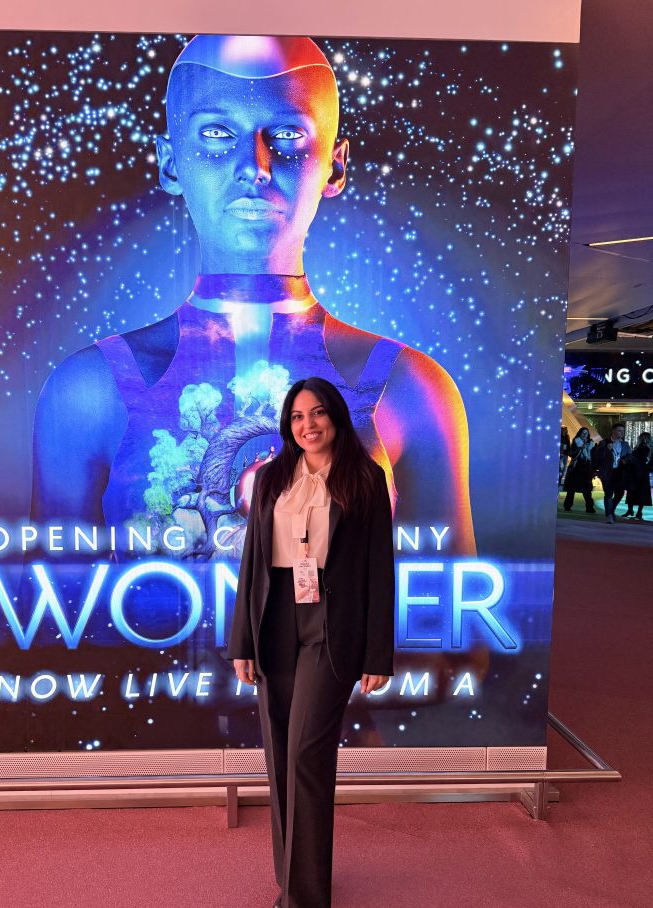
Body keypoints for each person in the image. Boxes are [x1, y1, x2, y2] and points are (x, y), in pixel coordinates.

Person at [31, 34, 475, 560]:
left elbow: (453, 605)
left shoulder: (412, 388)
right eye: (217, 134)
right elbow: (51, 604)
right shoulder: (89, 388)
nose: (254, 165)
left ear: (334, 165)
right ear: (170, 163)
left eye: (287, 134)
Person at [227, 376, 394, 908]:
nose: (308, 425)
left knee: (305, 758)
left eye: (318, 413)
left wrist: (378, 653)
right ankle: (293, 883)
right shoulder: (272, 478)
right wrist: (241, 641)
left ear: (336, 418)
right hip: (275, 623)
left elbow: (380, 571)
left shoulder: (364, 479)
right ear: (287, 425)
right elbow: (252, 563)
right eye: (297, 416)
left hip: (333, 628)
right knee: (278, 758)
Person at [594, 423, 633, 523]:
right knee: (608, 494)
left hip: (620, 472)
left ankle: (611, 511)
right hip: (607, 472)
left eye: (623, 431)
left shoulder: (625, 444)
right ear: (613, 431)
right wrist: (606, 449)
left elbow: (630, 456)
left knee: (620, 493)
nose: (622, 433)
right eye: (620, 431)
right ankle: (609, 515)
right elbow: (597, 457)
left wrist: (625, 460)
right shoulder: (604, 443)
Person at [562, 427, 596, 513]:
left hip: (587, 468)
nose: (585, 434)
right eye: (583, 433)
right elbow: (571, 454)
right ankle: (567, 506)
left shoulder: (591, 444)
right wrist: (580, 448)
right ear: (580, 434)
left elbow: (594, 456)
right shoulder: (575, 442)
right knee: (571, 488)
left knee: (587, 489)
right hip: (576, 467)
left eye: (586, 433)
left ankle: (590, 507)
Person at [622, 432, 652, 520]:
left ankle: (634, 511)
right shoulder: (645, 448)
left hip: (639, 473)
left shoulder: (643, 448)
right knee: (639, 492)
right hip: (640, 473)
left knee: (636, 492)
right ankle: (636, 512)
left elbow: (636, 459)